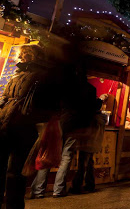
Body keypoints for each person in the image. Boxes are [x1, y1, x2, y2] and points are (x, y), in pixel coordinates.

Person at [30, 66, 103, 198]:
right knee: (66, 158)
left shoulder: (65, 86)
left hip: (60, 123)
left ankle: (38, 191)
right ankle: (58, 190)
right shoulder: (91, 89)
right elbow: (91, 110)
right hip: (76, 126)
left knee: (48, 155)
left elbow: (54, 104)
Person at [0, 45, 57, 209]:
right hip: (5, 125)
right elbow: (5, 97)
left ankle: (14, 205)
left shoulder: (43, 76)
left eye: (25, 54)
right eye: (22, 54)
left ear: (33, 56)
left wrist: (29, 117)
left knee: (15, 171)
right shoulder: (17, 74)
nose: (21, 57)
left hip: (24, 129)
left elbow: (48, 107)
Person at [69, 80, 105, 195]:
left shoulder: (92, 117)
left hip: (87, 143)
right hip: (93, 143)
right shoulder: (100, 117)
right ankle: (90, 185)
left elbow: (88, 130)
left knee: (82, 165)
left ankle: (76, 186)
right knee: (89, 164)